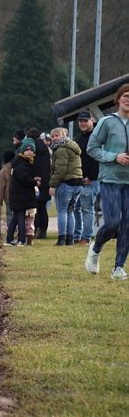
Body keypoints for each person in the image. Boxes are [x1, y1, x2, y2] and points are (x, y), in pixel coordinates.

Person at [85, 83, 129, 280]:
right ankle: (95, 249)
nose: (128, 99)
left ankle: (118, 267)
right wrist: (114, 157)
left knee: (128, 225)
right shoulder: (106, 122)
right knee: (112, 223)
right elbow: (92, 148)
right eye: (125, 96)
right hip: (110, 179)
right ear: (118, 99)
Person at [48, 126, 83, 246]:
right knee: (70, 211)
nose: (54, 138)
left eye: (56, 135)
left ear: (63, 136)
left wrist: (52, 185)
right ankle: (70, 239)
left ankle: (62, 239)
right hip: (78, 183)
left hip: (66, 183)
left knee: (62, 211)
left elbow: (60, 170)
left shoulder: (61, 150)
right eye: (52, 136)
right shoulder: (74, 147)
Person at [6, 138, 40, 246]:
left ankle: (9, 238)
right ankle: (21, 239)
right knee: (20, 217)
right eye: (27, 149)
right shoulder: (22, 163)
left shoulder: (21, 162)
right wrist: (34, 182)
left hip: (18, 195)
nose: (29, 152)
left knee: (16, 218)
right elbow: (24, 178)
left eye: (31, 150)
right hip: (20, 196)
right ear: (23, 151)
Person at [72, 111, 99, 245]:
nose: (82, 123)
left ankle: (86, 238)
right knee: (76, 208)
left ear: (91, 120)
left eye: (85, 121)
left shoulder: (96, 137)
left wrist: (91, 177)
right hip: (79, 179)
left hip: (91, 180)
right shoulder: (80, 138)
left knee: (87, 208)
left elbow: (97, 159)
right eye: (80, 121)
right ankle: (77, 236)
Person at [27, 128, 52, 239]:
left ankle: (35, 229)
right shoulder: (46, 149)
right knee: (43, 208)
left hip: (36, 181)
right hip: (46, 182)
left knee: (35, 208)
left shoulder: (33, 149)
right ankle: (43, 231)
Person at [0, 150, 14, 224]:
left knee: (9, 215)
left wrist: (0, 201)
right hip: (20, 196)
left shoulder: (3, 171)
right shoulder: (18, 167)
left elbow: (1, 187)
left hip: (9, 196)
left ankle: (11, 231)